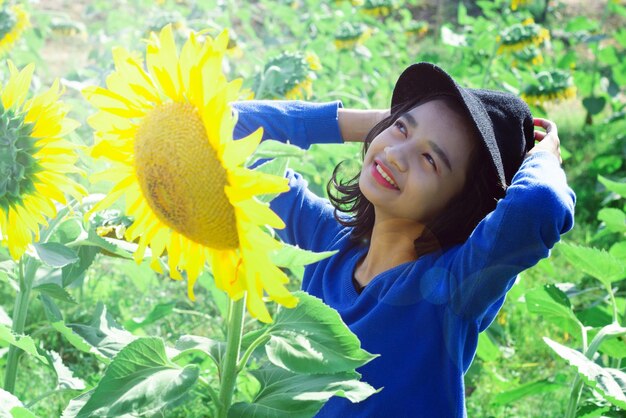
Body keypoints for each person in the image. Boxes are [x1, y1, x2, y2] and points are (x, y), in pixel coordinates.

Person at [231, 62, 576, 417]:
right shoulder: (327, 239)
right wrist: (378, 122)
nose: (396, 154)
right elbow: (228, 130)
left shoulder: (455, 286)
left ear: (463, 202)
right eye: (401, 130)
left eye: (430, 159)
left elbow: (539, 204)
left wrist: (544, 160)